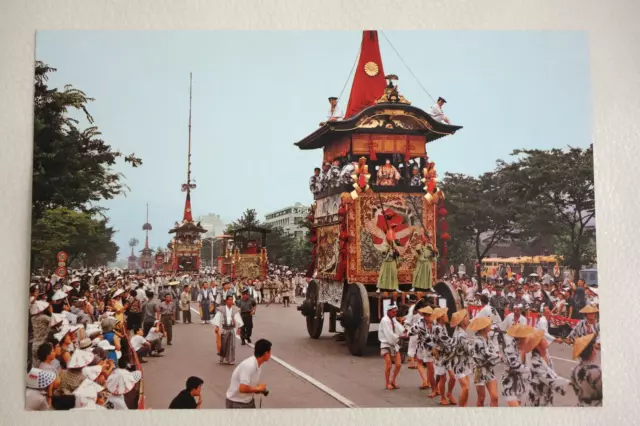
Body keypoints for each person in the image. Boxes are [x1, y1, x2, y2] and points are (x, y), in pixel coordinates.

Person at [225, 339, 272, 409]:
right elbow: (243, 388)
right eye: (270, 352)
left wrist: (259, 389)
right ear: (266, 353)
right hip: (237, 403)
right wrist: (258, 389)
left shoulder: (258, 365)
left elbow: (248, 386)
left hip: (248, 401)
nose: (271, 354)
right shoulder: (249, 365)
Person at [469, 316, 500, 407]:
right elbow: (487, 353)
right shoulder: (477, 340)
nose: (490, 325)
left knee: (495, 397)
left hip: (489, 370)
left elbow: (493, 350)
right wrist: (499, 356)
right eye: (488, 324)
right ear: (484, 327)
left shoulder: (487, 338)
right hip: (479, 371)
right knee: (481, 398)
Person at [378, 304, 405, 391]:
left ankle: (393, 380)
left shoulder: (393, 319)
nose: (394, 313)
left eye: (395, 312)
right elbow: (389, 334)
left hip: (393, 343)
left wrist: (405, 331)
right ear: (388, 312)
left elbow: (399, 328)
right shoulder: (384, 320)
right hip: (386, 343)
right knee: (389, 365)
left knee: (398, 364)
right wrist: (399, 337)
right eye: (393, 312)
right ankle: (387, 383)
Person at [570, 333, 602, 406]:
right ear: (592, 351)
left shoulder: (574, 370)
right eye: (594, 347)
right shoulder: (598, 371)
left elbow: (577, 391)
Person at [212, 295, 244, 364]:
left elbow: (238, 319)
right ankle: (222, 357)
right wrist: (217, 327)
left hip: (232, 329)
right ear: (226, 301)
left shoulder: (235, 310)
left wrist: (239, 328)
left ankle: (231, 359)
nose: (230, 301)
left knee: (232, 345)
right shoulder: (222, 309)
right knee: (223, 344)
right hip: (224, 329)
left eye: (231, 300)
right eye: (229, 300)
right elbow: (217, 318)